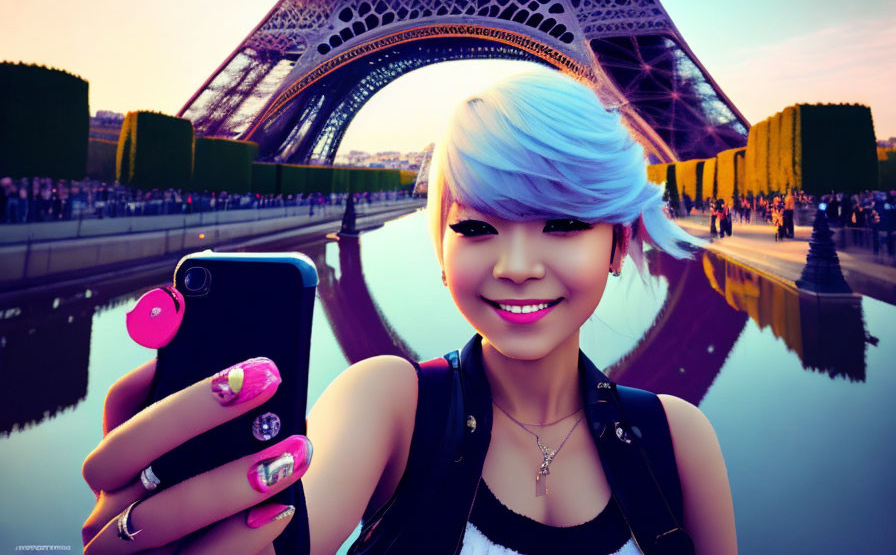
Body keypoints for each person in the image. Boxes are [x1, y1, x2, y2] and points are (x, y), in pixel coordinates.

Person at [80, 70, 737, 554]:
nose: (515, 264)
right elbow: (296, 534)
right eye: (476, 227)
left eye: (562, 224)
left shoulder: (683, 442)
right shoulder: (388, 401)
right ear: (441, 251)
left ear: (619, 243)